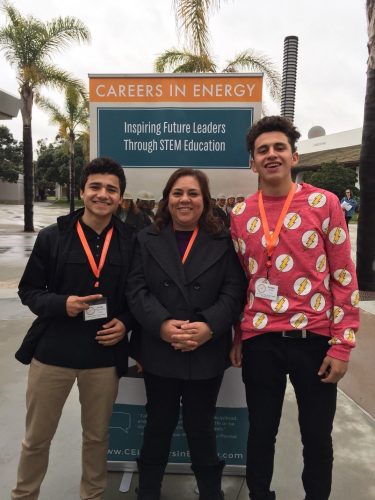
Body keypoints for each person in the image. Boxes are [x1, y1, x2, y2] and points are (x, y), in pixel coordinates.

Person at [230, 116, 360, 500]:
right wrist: (238, 336)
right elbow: (240, 283)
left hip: (314, 340)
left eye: (279, 148)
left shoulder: (325, 203)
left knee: (317, 437)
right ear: (252, 163)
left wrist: (342, 346)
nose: (271, 155)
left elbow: (344, 278)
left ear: (294, 156)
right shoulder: (240, 215)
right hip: (260, 342)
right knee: (260, 432)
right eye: (262, 150)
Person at [12, 157, 135, 500]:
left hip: (102, 356)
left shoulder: (131, 240)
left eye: (111, 189)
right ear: (82, 191)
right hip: (53, 354)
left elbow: (139, 295)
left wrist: (125, 323)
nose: (103, 194)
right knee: (37, 437)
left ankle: (92, 495)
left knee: (96, 438)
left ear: (120, 198)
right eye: (95, 186)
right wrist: (60, 304)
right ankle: (24, 494)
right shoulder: (54, 237)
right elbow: (29, 291)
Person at [127, 168, 246, 500]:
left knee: (201, 427)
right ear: (167, 199)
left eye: (193, 193)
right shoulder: (145, 238)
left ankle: (211, 493)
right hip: (159, 348)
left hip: (205, 349)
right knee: (158, 425)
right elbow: (135, 289)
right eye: (178, 193)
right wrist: (162, 325)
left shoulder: (225, 241)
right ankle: (147, 492)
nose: (185, 200)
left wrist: (209, 326)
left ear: (205, 201)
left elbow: (234, 290)